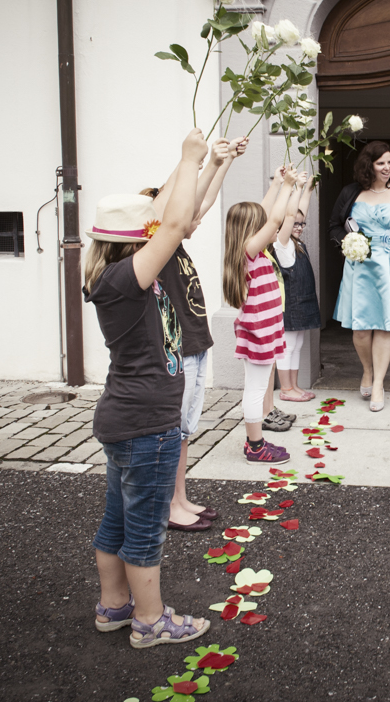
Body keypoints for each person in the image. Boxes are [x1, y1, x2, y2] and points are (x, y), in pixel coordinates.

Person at [84, 129, 211, 648]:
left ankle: (114, 607)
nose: (156, 228)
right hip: (145, 424)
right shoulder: (125, 278)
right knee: (143, 529)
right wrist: (187, 158)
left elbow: (179, 216)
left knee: (117, 520)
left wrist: (197, 168)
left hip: (127, 419)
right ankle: (150, 620)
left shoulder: (115, 272)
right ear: (132, 238)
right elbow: (176, 221)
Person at [140, 136, 247, 533]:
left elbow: (198, 205)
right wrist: (193, 163)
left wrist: (223, 164)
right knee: (173, 430)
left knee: (185, 430)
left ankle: (180, 497)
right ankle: (168, 504)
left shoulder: (175, 246)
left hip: (196, 344)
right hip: (177, 349)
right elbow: (175, 208)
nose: (193, 217)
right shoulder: (153, 241)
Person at [328, 141, 390, 412]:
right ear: (368, 165)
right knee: (361, 328)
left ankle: (379, 384)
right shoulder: (351, 192)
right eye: (381, 162)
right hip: (361, 265)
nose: (387, 167)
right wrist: (347, 241)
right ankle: (367, 371)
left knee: (386, 325)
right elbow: (334, 225)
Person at [223, 166, 298, 463]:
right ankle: (255, 446)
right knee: (255, 390)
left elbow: (265, 213)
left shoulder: (248, 249)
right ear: (251, 228)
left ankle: (255, 442)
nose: (266, 225)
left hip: (263, 330)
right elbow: (275, 218)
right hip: (259, 333)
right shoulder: (251, 250)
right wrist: (289, 186)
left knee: (256, 386)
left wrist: (277, 183)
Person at [273, 173, 321, 403]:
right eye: (295, 224)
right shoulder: (281, 244)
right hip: (291, 306)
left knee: (298, 344)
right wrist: (294, 187)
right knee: (287, 347)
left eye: (302, 224)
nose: (299, 227)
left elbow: (300, 211)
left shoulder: (297, 243)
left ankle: (294, 385)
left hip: (303, 303)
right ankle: (285, 388)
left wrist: (308, 190)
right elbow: (291, 213)